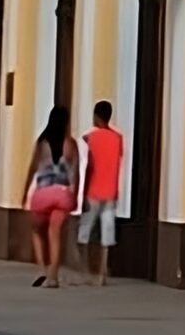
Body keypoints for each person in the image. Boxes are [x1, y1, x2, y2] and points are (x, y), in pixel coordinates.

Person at [23, 105, 79, 289]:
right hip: (63, 194)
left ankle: (41, 269)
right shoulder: (70, 144)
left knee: (36, 230)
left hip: (43, 194)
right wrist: (75, 195)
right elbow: (75, 173)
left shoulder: (42, 142)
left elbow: (32, 168)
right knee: (55, 234)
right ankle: (53, 277)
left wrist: (25, 193)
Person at [78, 100, 124, 287]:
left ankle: (85, 271)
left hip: (94, 191)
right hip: (111, 191)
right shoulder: (118, 139)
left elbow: (89, 166)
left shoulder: (89, 138)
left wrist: (83, 192)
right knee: (107, 232)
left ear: (96, 116)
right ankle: (102, 273)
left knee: (85, 232)